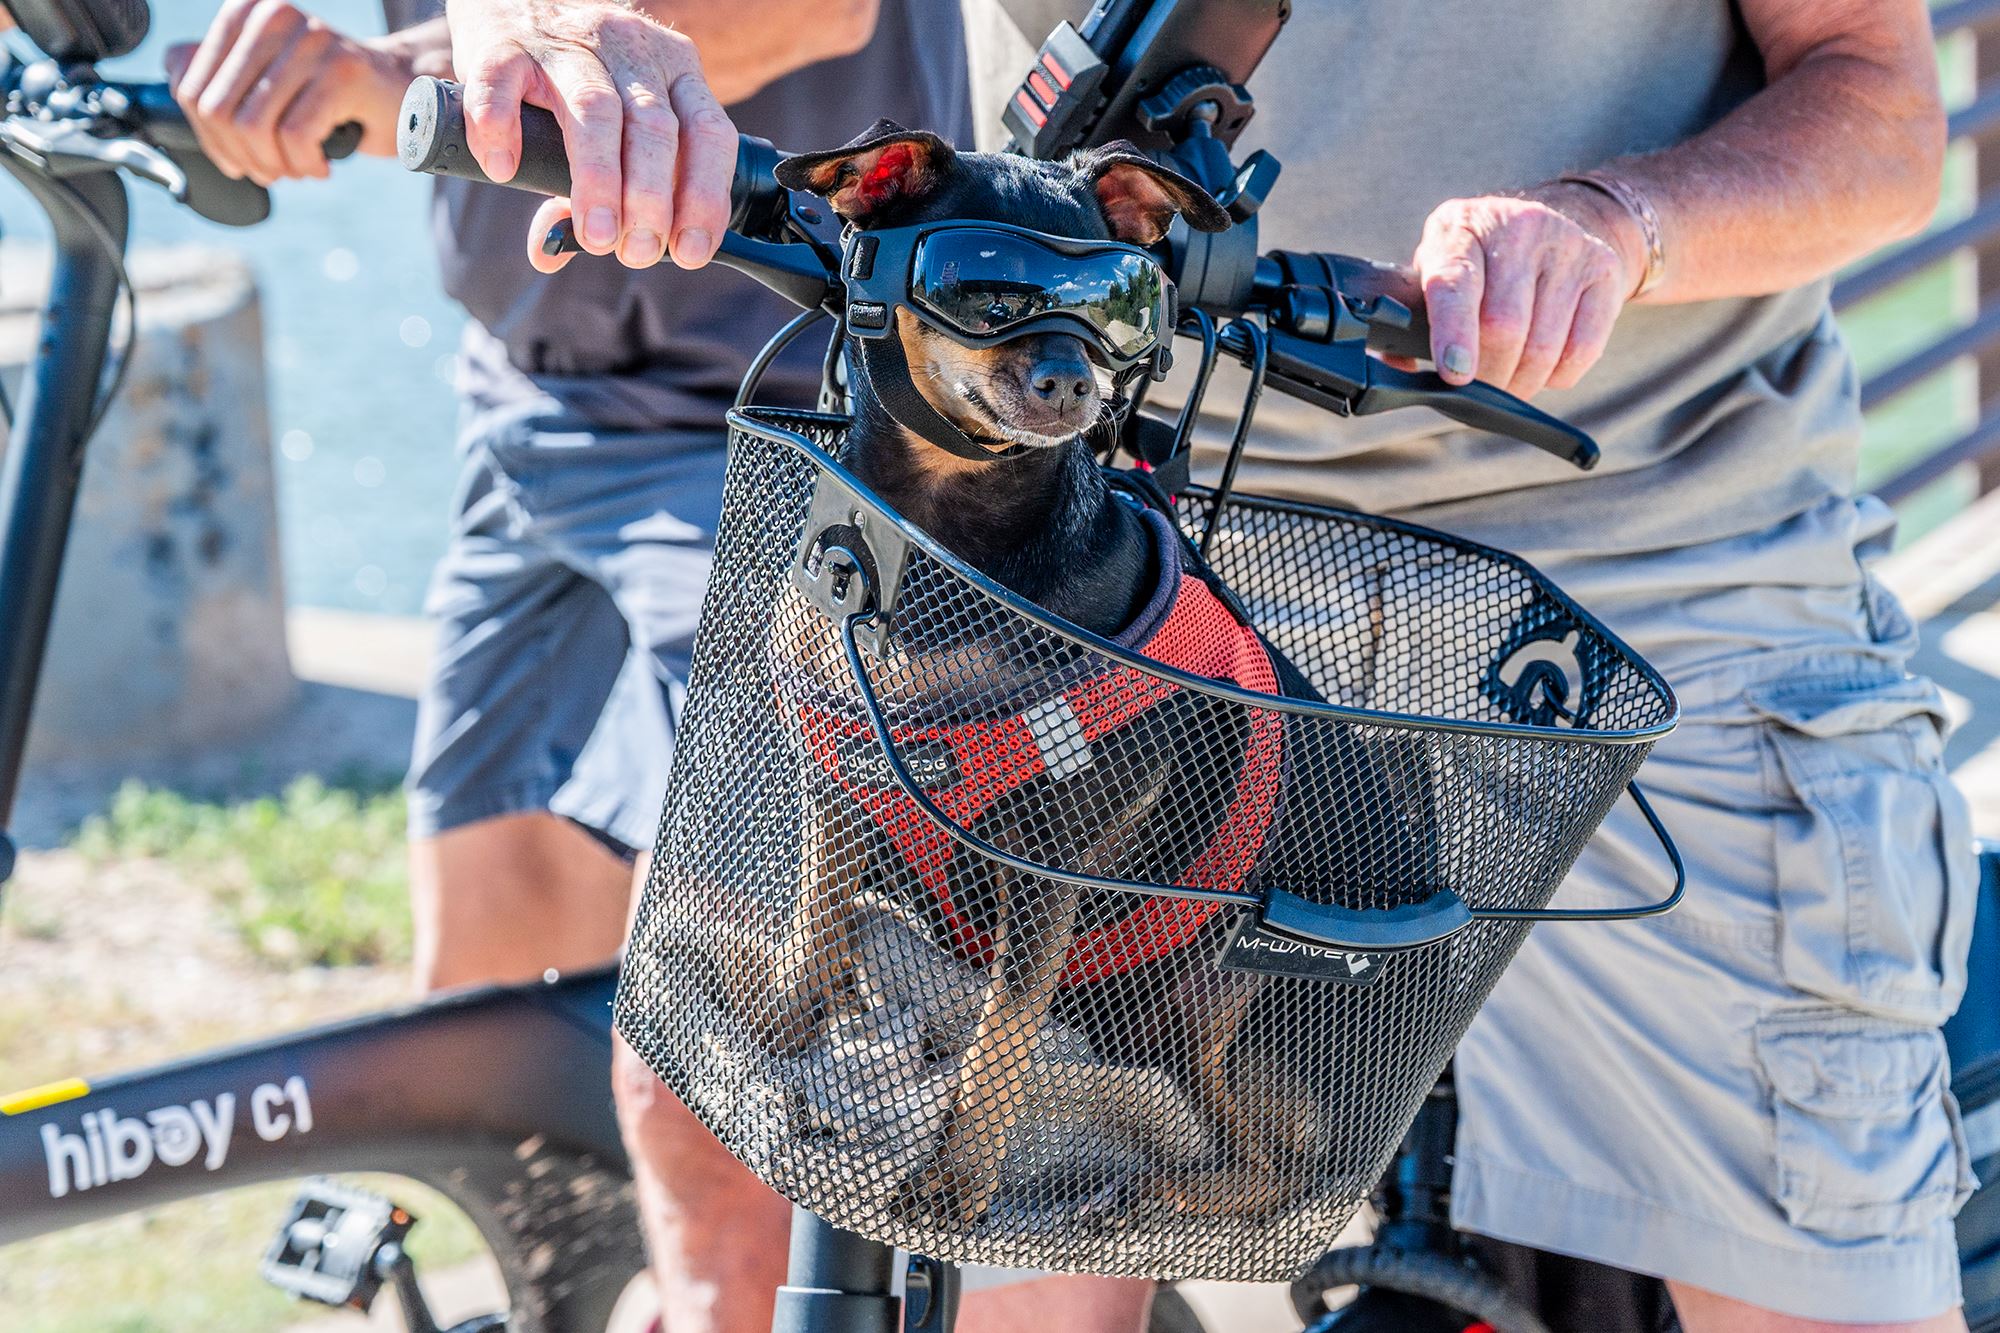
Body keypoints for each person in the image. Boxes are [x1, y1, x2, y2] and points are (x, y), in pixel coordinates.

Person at [442, 0, 1978, 1328]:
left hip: (1648, 561)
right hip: (1115, 538)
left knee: (1813, 1283)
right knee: (917, 1185)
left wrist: (1611, 223)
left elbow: (1878, 102)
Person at [168, 3, 1155, 1330]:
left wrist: (423, 68)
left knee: (726, 1080)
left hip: (790, 403)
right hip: (532, 390)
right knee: (489, 1023)